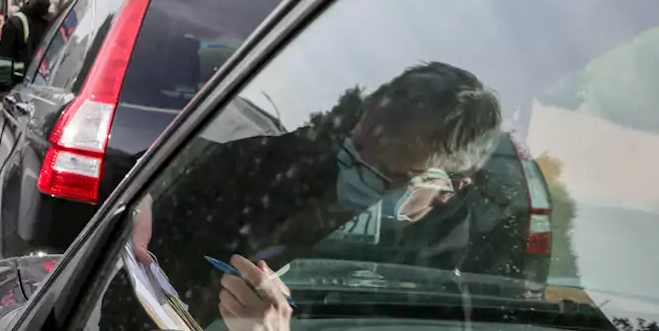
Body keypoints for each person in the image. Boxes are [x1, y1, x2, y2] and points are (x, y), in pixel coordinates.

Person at [107, 62, 503, 329]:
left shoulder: (437, 293)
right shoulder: (290, 163)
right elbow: (174, 166)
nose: (355, 172)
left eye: (389, 177)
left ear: (449, 188)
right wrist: (148, 190)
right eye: (357, 151)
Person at [0, 0, 54, 73]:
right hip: (17, 80)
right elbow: (4, 59)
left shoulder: (52, 24)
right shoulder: (14, 23)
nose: (43, 2)